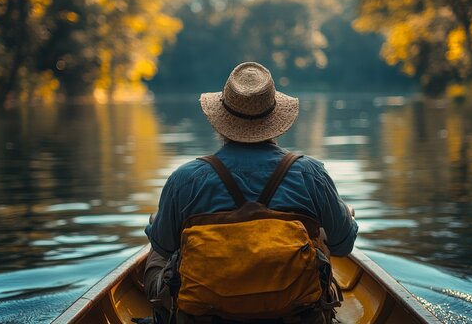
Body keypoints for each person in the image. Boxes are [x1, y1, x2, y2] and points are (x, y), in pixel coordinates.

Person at [144, 62, 358, 323]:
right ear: (276, 119)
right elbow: (343, 245)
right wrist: (346, 218)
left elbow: (166, 249)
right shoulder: (311, 174)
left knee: (158, 243)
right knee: (320, 235)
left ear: (220, 123)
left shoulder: (184, 180)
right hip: (297, 317)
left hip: (205, 319)